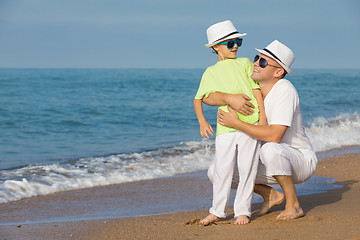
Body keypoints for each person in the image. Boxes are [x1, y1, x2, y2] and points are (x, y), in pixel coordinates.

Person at [206, 40, 318, 220]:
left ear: (278, 72)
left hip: (299, 159)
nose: (256, 63)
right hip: (270, 160)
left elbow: (274, 136)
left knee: (270, 149)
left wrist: (236, 124)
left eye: (263, 62)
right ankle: (270, 195)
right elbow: (208, 95)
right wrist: (228, 97)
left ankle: (293, 205)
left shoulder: (284, 89)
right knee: (215, 171)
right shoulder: (250, 89)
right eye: (257, 58)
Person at [193, 20, 266, 225]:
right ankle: (217, 210)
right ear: (216, 47)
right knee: (222, 169)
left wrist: (262, 118)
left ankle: (243, 210)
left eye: (238, 42)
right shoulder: (210, 72)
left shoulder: (244, 63)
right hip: (225, 126)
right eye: (229, 43)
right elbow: (199, 98)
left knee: (247, 167)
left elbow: (255, 90)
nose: (235, 46)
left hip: (250, 124)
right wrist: (202, 122)